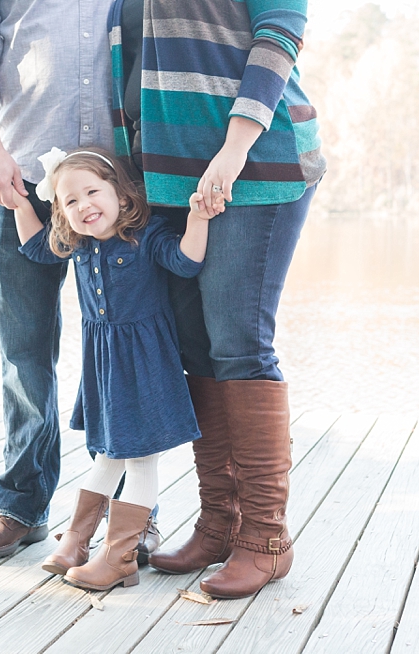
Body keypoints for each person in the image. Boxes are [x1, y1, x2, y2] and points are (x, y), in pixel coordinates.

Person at [108, 0, 326, 599]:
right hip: (168, 177)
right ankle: (219, 522)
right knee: (196, 347)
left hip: (255, 168)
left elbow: (280, 33)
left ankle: (265, 539)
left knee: (238, 343)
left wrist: (233, 150)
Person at [0, 0, 126, 559]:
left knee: (128, 346)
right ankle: (20, 505)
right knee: (24, 350)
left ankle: (131, 515)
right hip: (21, 177)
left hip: (115, 182)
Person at [10, 146, 218, 590]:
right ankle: (77, 542)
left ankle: (120, 557)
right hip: (105, 369)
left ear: (121, 196)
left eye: (92, 192)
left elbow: (186, 260)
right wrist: (18, 204)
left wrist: (197, 219)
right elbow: (35, 248)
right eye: (70, 200)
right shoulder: (80, 245)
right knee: (107, 455)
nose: (84, 205)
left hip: (146, 368)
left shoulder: (145, 237)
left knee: (139, 461)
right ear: (62, 213)